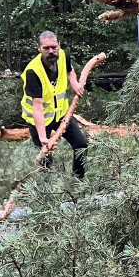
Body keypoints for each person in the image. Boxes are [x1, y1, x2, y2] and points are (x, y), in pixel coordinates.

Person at [20, 31, 88, 178]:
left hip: (62, 114)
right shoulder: (33, 71)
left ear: (59, 45)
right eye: (46, 48)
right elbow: (37, 107)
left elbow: (70, 71)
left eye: (53, 47)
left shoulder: (63, 55)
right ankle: (47, 191)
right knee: (46, 159)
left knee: (81, 145)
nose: (51, 51)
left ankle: (78, 182)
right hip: (39, 119)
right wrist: (44, 137)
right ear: (39, 48)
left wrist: (74, 82)